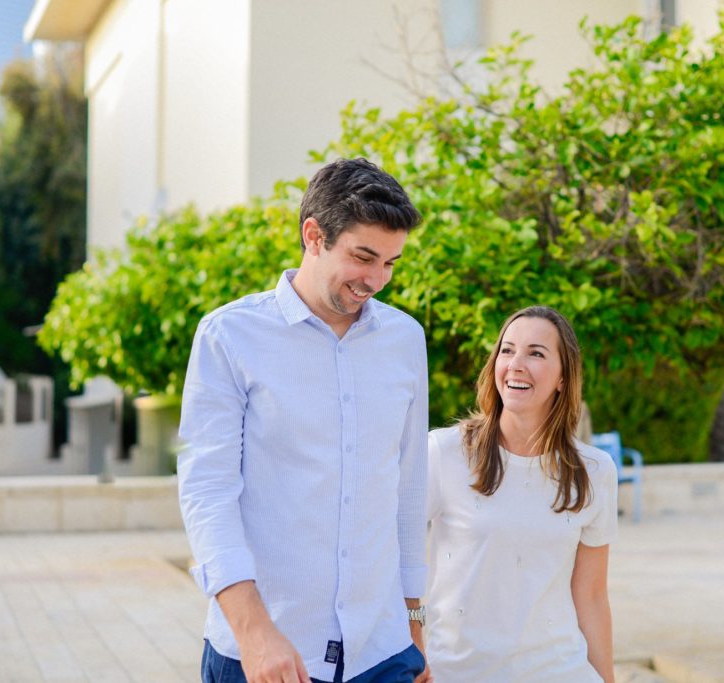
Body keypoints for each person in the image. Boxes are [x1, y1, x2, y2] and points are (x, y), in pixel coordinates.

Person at [178, 158, 431, 683]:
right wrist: (253, 634)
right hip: (268, 654)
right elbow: (207, 492)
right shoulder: (228, 336)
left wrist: (413, 624)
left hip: (381, 650)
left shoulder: (406, 340)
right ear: (313, 235)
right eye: (364, 257)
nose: (376, 280)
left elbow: (407, 489)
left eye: (390, 263)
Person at [425, 306, 618, 683]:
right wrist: (412, 637)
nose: (516, 363)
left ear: (564, 378)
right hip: (457, 673)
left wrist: (607, 678)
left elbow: (591, 596)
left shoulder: (594, 472)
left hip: (560, 672)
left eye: (536, 353)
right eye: (507, 350)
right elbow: (394, 556)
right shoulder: (443, 453)